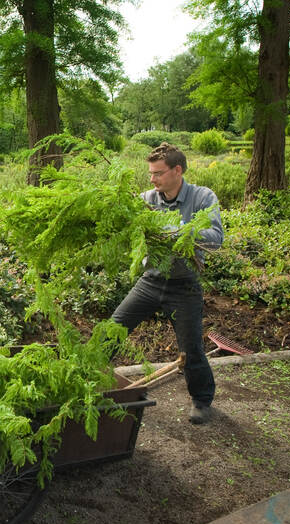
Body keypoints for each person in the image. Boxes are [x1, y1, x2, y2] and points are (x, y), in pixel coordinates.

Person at [112, 142, 223, 424]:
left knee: (191, 348)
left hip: (184, 285)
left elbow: (215, 238)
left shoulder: (202, 197)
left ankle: (201, 400)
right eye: (150, 173)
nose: (152, 179)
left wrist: (174, 231)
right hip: (151, 281)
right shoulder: (146, 198)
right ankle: (87, 378)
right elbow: (126, 228)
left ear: (177, 171)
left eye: (158, 173)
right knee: (112, 329)